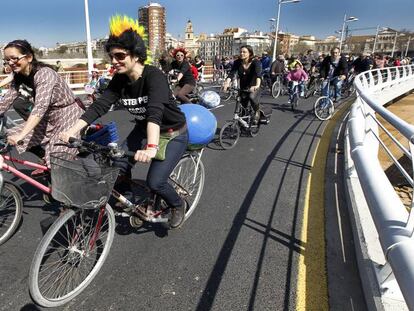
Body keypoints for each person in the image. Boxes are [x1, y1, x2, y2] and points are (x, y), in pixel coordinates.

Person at [60, 15, 188, 228]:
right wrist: (72, 131)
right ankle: (128, 196)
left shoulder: (153, 76)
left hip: (172, 132)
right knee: (117, 164)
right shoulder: (120, 80)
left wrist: (151, 147)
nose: (114, 61)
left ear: (136, 55)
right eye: (111, 56)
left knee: (155, 182)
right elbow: (99, 106)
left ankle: (177, 204)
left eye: (120, 56)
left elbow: (155, 112)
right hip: (143, 128)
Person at [0, 39, 84, 169]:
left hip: (67, 114)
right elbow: (4, 103)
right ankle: (46, 157)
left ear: (29, 57)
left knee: (56, 157)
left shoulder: (44, 73)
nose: (10, 63)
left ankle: (63, 176)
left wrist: (21, 135)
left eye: (14, 58)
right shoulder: (18, 77)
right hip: (48, 117)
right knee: (8, 136)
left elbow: (40, 107)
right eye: (7, 60)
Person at [223, 45, 262, 124]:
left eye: (244, 52)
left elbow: (258, 75)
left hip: (254, 86)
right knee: (242, 105)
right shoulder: (237, 62)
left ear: (250, 53)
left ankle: (257, 111)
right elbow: (232, 73)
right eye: (240, 52)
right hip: (243, 86)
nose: (241, 53)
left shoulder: (255, 62)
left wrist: (257, 86)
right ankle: (242, 123)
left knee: (252, 97)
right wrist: (227, 83)